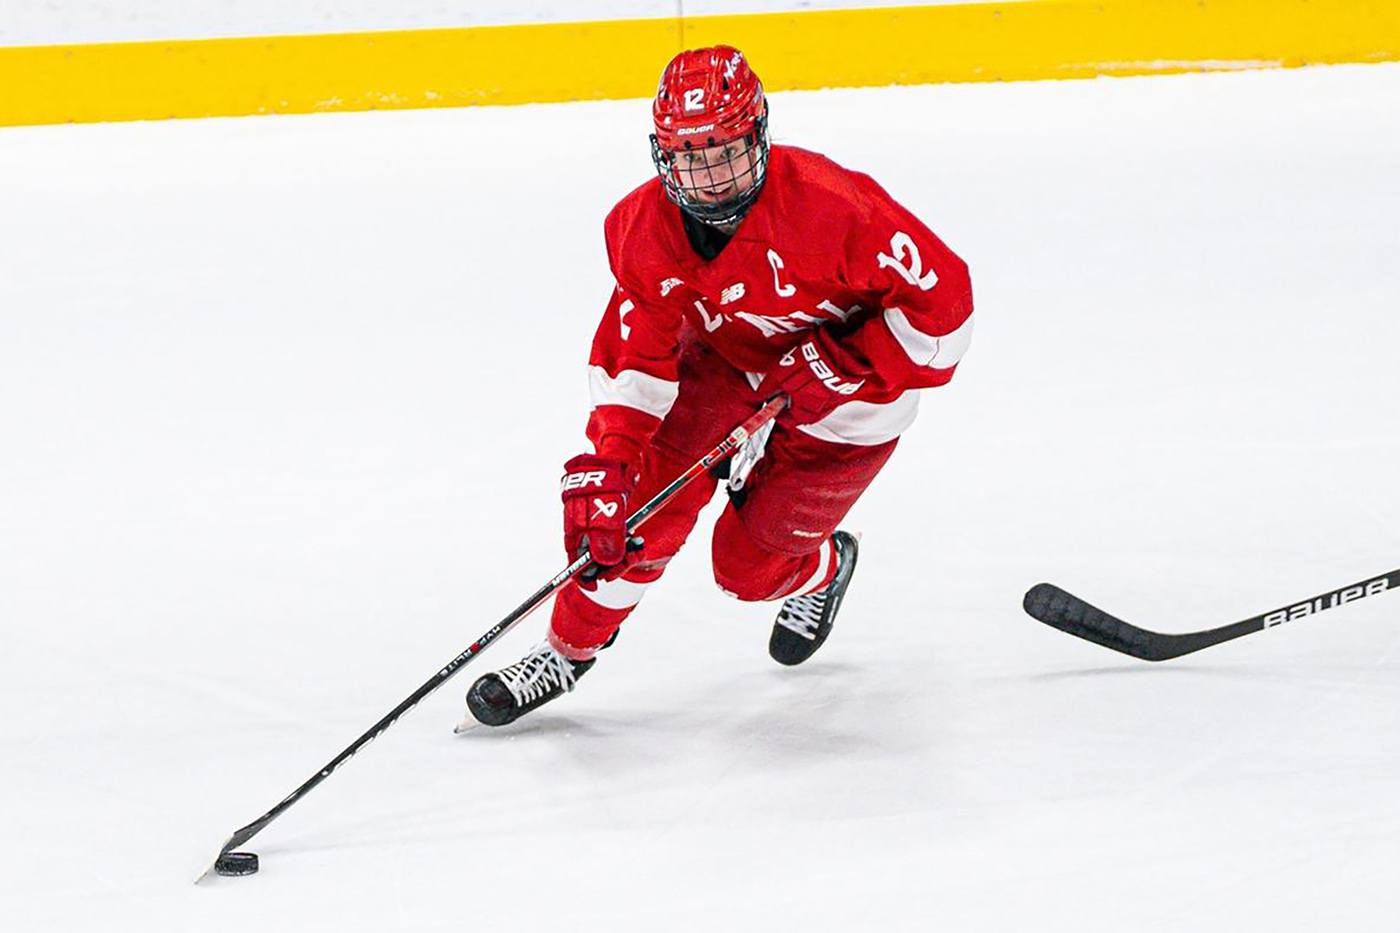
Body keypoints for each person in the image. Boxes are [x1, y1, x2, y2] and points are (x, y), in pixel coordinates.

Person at [464, 45, 973, 726]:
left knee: (747, 570)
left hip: (849, 404)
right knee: (633, 514)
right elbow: (637, 353)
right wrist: (613, 461)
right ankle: (567, 650)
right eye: (689, 154)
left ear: (760, 134)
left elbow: (947, 312)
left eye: (725, 150)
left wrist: (846, 361)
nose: (708, 175)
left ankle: (823, 568)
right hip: (725, 364)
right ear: (661, 155)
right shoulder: (641, 227)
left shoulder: (837, 206)